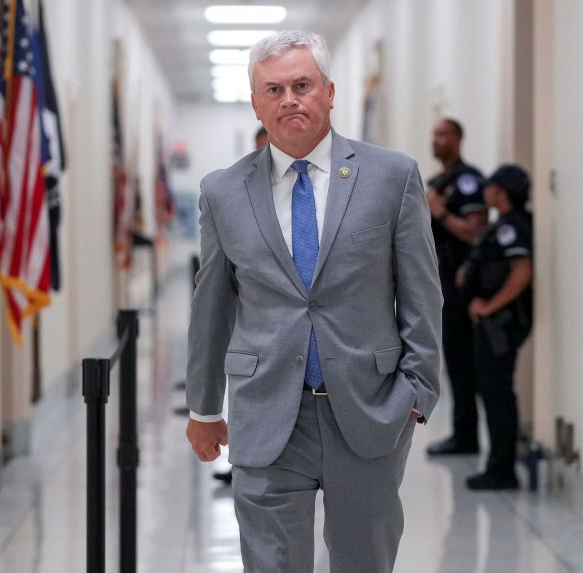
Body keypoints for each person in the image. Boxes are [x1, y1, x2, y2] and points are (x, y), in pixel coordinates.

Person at [186, 30, 442, 573]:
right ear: (256, 103)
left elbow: (423, 295)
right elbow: (211, 309)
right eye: (273, 90)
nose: (289, 100)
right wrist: (204, 409)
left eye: (302, 85)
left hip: (369, 410)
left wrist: (417, 392)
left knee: (363, 561)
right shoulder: (223, 192)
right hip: (267, 413)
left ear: (329, 93)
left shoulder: (392, 177)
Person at [460, 165, 533, 490]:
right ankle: (498, 465)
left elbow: (521, 272)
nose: (485, 190)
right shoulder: (501, 226)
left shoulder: (512, 228)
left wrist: (490, 306)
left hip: (500, 325)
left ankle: (502, 469)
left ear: (501, 192)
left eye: (491, 186)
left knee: (498, 393)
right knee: (491, 391)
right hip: (490, 324)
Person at [424, 118, 489, 456]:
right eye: (434, 134)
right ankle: (463, 434)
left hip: (467, 284)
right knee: (454, 359)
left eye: (444, 135)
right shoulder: (437, 181)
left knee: (468, 361)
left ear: (458, 139)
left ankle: (469, 436)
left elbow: (475, 231)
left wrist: (440, 211)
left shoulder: (467, 181)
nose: (437, 140)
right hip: (443, 282)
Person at [213, 124, 270, 486]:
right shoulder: (231, 194)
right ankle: (247, 461)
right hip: (257, 348)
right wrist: (203, 410)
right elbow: (213, 303)